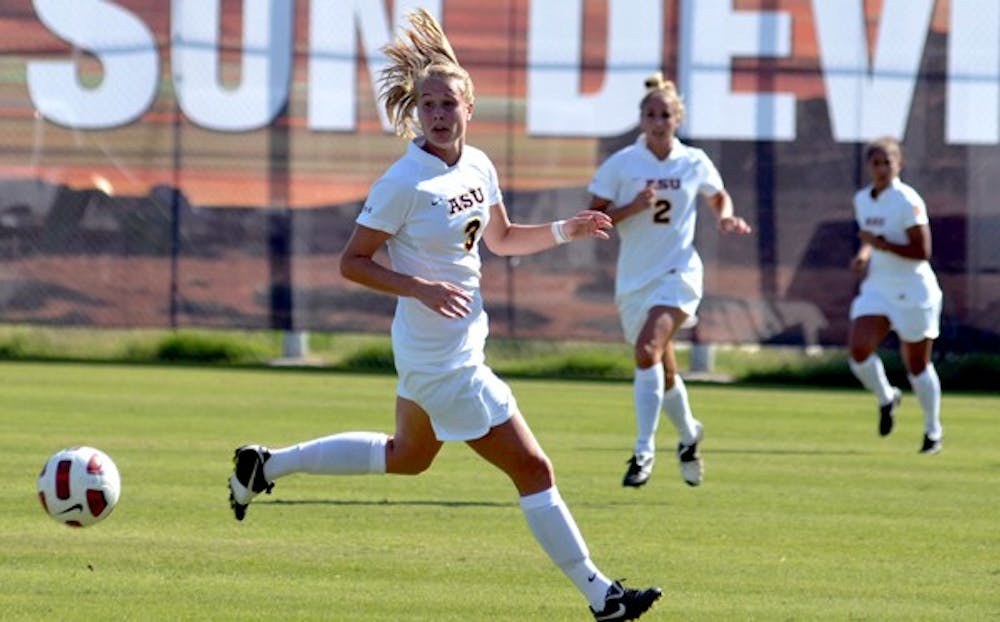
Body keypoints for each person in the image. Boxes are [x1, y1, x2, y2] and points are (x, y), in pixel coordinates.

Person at [227, 9, 661, 620]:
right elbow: (352, 262)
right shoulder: (403, 182)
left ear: (468, 110)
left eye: (447, 104)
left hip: (445, 345)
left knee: (410, 457)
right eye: (428, 104)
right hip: (443, 359)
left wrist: (570, 228)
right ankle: (601, 595)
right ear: (417, 110)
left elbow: (503, 240)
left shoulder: (478, 164)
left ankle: (265, 465)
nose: (436, 113)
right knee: (534, 468)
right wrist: (420, 288)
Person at [587, 72, 752, 488]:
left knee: (647, 350)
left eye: (665, 114)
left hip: (679, 272)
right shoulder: (623, 163)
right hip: (634, 280)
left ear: (677, 119)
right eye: (650, 114)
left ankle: (643, 452)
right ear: (641, 119)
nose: (658, 121)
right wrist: (631, 207)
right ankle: (689, 433)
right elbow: (594, 218)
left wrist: (726, 215)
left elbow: (717, 194)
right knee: (661, 367)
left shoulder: (692, 161)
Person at [847, 136, 944, 454]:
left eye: (887, 162)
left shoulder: (907, 200)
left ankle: (933, 430)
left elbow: (922, 250)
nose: (881, 168)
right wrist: (864, 253)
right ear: (868, 167)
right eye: (876, 163)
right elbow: (870, 237)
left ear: (899, 165)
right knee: (859, 351)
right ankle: (887, 397)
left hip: (912, 289)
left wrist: (878, 244)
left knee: (916, 364)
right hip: (878, 286)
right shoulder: (863, 199)